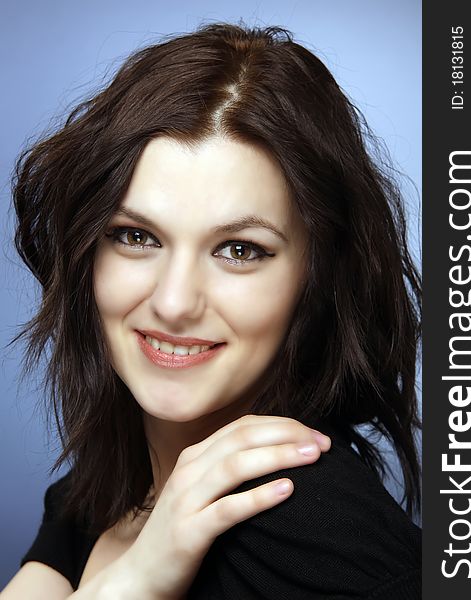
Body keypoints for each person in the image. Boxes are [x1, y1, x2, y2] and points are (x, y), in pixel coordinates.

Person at [1, 22, 422, 599]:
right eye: (136, 236)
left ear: (316, 278)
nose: (174, 303)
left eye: (240, 250)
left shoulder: (307, 526)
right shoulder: (102, 490)